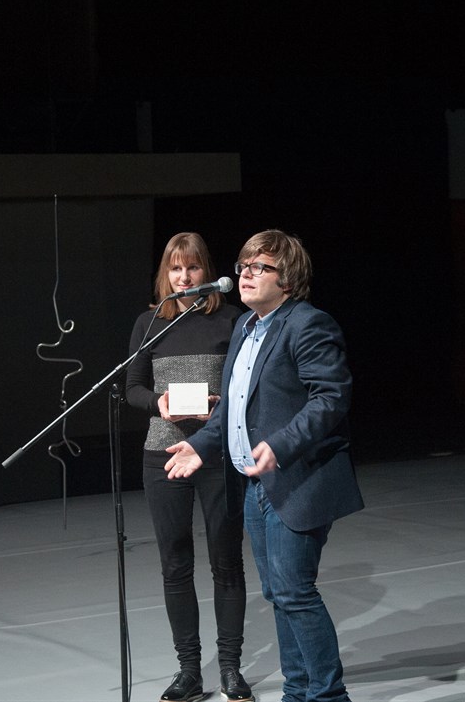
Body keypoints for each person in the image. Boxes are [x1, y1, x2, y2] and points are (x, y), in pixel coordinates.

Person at [165, 229, 364, 702]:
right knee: (277, 593)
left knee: (295, 591)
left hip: (299, 478)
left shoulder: (308, 324)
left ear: (287, 280)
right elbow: (234, 407)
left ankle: (329, 696)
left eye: (260, 267)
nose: (246, 275)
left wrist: (282, 443)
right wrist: (202, 445)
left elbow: (331, 398)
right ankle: (297, 692)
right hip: (253, 484)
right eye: (244, 266)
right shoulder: (245, 327)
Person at [126, 232, 252, 702]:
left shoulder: (231, 319)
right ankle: (189, 671)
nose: (184, 277)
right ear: (165, 274)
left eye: (193, 267)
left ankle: (231, 668)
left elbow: (245, 386)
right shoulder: (149, 323)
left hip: (217, 454)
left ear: (207, 272)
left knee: (226, 560)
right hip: (163, 456)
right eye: (176, 268)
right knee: (175, 564)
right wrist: (158, 403)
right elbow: (132, 387)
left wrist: (221, 406)